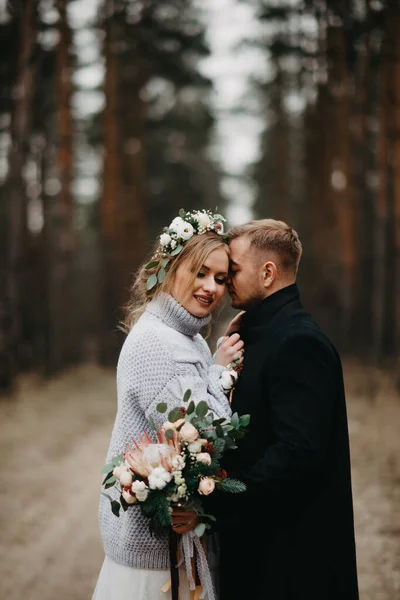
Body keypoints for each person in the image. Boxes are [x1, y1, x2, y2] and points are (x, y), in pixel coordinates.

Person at [92, 209, 244, 600]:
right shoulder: (160, 344)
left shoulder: (184, 336)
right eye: (200, 272)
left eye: (221, 278)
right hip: (155, 559)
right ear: (171, 267)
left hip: (172, 550)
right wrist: (217, 373)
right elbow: (210, 437)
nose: (211, 287)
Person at [214, 219, 359, 600]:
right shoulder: (257, 332)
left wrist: (219, 497)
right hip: (261, 547)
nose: (226, 279)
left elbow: (296, 454)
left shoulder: (299, 342)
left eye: (234, 270)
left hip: (293, 563)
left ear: (267, 273)